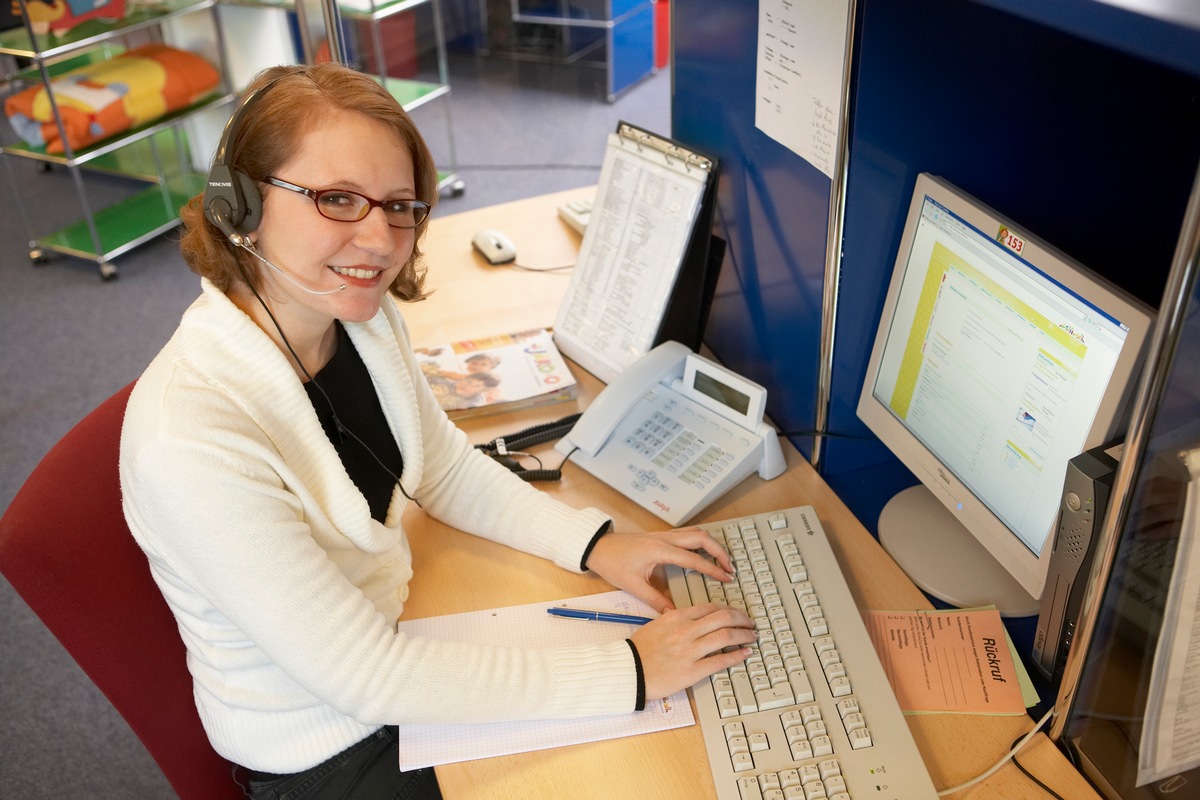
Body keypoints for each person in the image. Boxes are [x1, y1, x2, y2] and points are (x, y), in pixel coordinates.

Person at [118, 62, 757, 799]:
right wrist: (633, 670)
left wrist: (594, 543)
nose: (381, 240)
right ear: (242, 203)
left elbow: (442, 469)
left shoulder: (351, 316)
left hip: (401, 650)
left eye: (398, 206)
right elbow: (367, 679)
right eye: (336, 199)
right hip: (329, 746)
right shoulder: (192, 435)